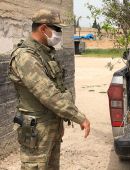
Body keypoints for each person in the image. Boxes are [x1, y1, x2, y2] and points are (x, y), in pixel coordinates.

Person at [9, 9, 90, 169]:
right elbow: (48, 94)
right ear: (44, 29)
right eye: (57, 29)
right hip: (36, 131)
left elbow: (58, 87)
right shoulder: (26, 57)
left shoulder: (44, 53)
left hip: (50, 127)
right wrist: (78, 117)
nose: (59, 33)